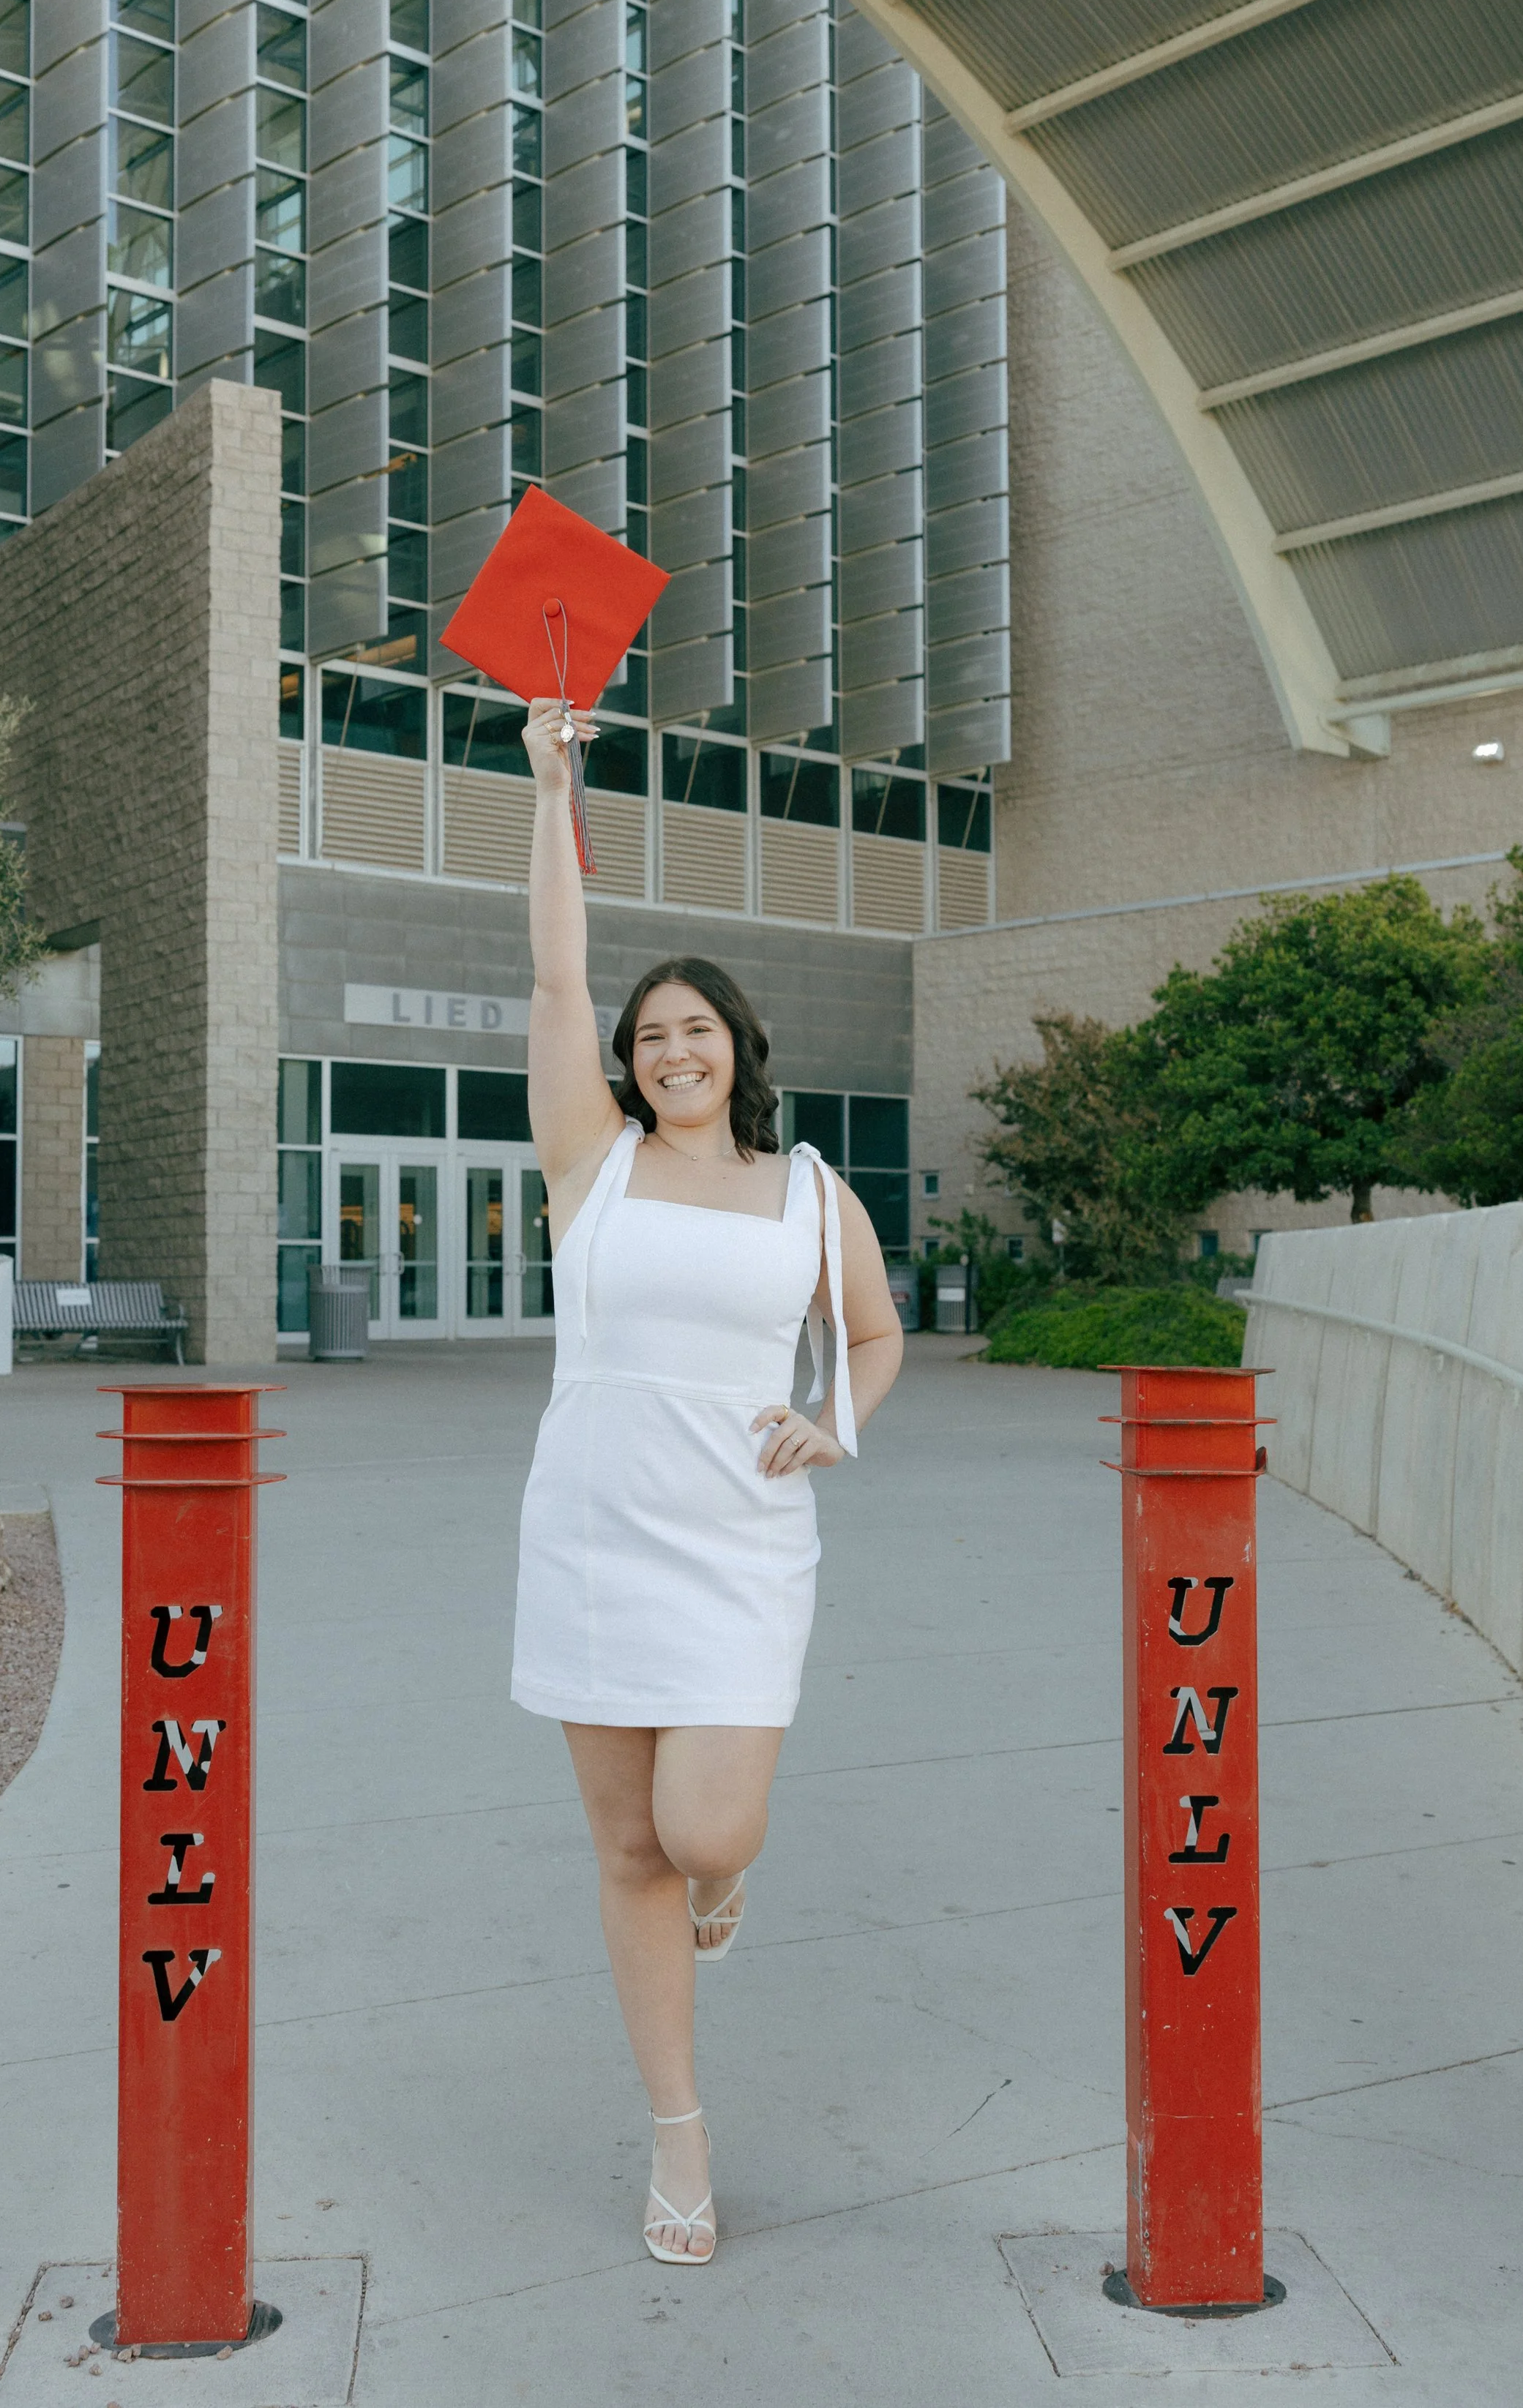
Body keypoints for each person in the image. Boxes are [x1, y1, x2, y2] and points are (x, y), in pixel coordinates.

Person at [512, 696, 905, 2265]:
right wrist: (553, 785)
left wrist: (839, 1421)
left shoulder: (811, 1192)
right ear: (625, 1061)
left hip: (740, 1540)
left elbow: (869, 1341)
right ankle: (678, 2130)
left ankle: (724, 1880)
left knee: (707, 1828)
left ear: (737, 1046)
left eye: (697, 1028)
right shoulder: (587, 1162)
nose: (672, 1047)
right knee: (628, 1851)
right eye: (648, 1032)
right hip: (596, 1530)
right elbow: (552, 965)